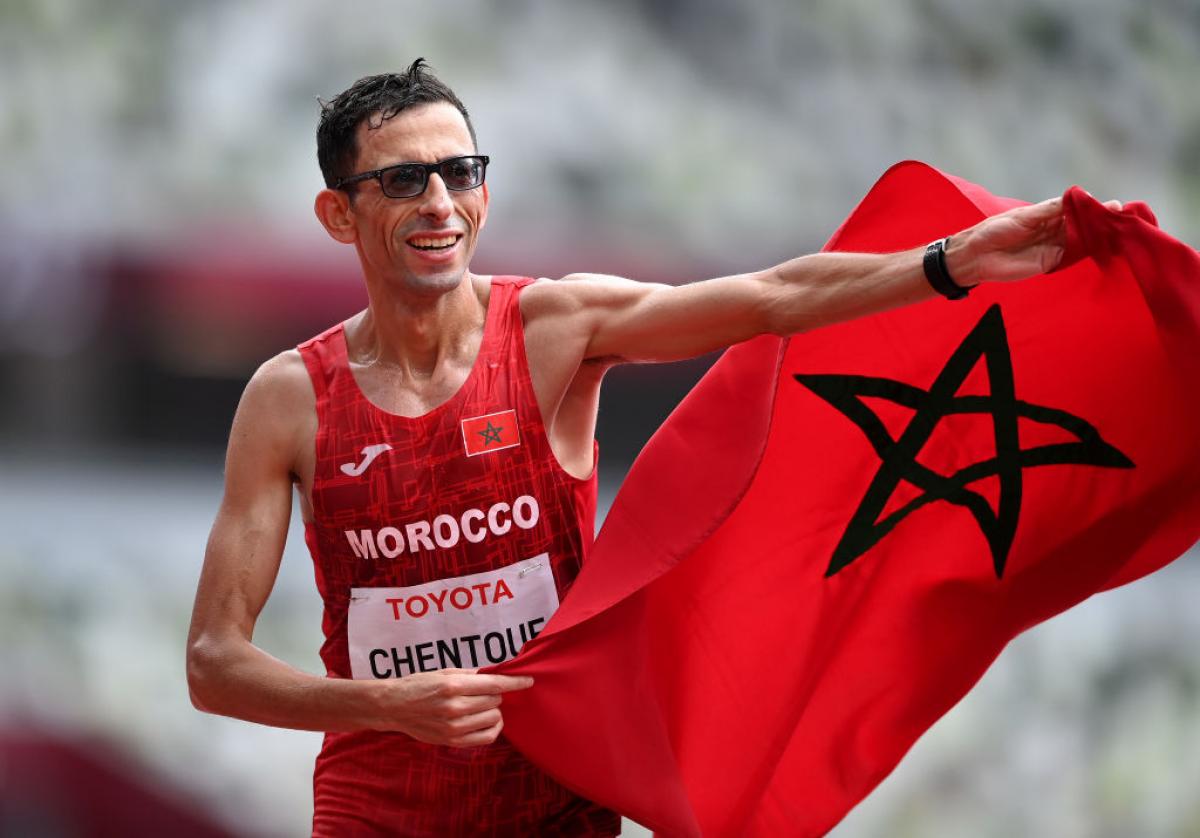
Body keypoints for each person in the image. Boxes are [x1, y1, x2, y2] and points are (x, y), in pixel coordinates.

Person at [185, 59, 1117, 836]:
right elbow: (214, 663)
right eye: (402, 180)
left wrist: (951, 261)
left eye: (460, 172)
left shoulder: (552, 328)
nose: (439, 203)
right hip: (375, 806)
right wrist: (384, 706)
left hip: (554, 799)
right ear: (338, 215)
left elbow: (771, 298)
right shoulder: (290, 400)